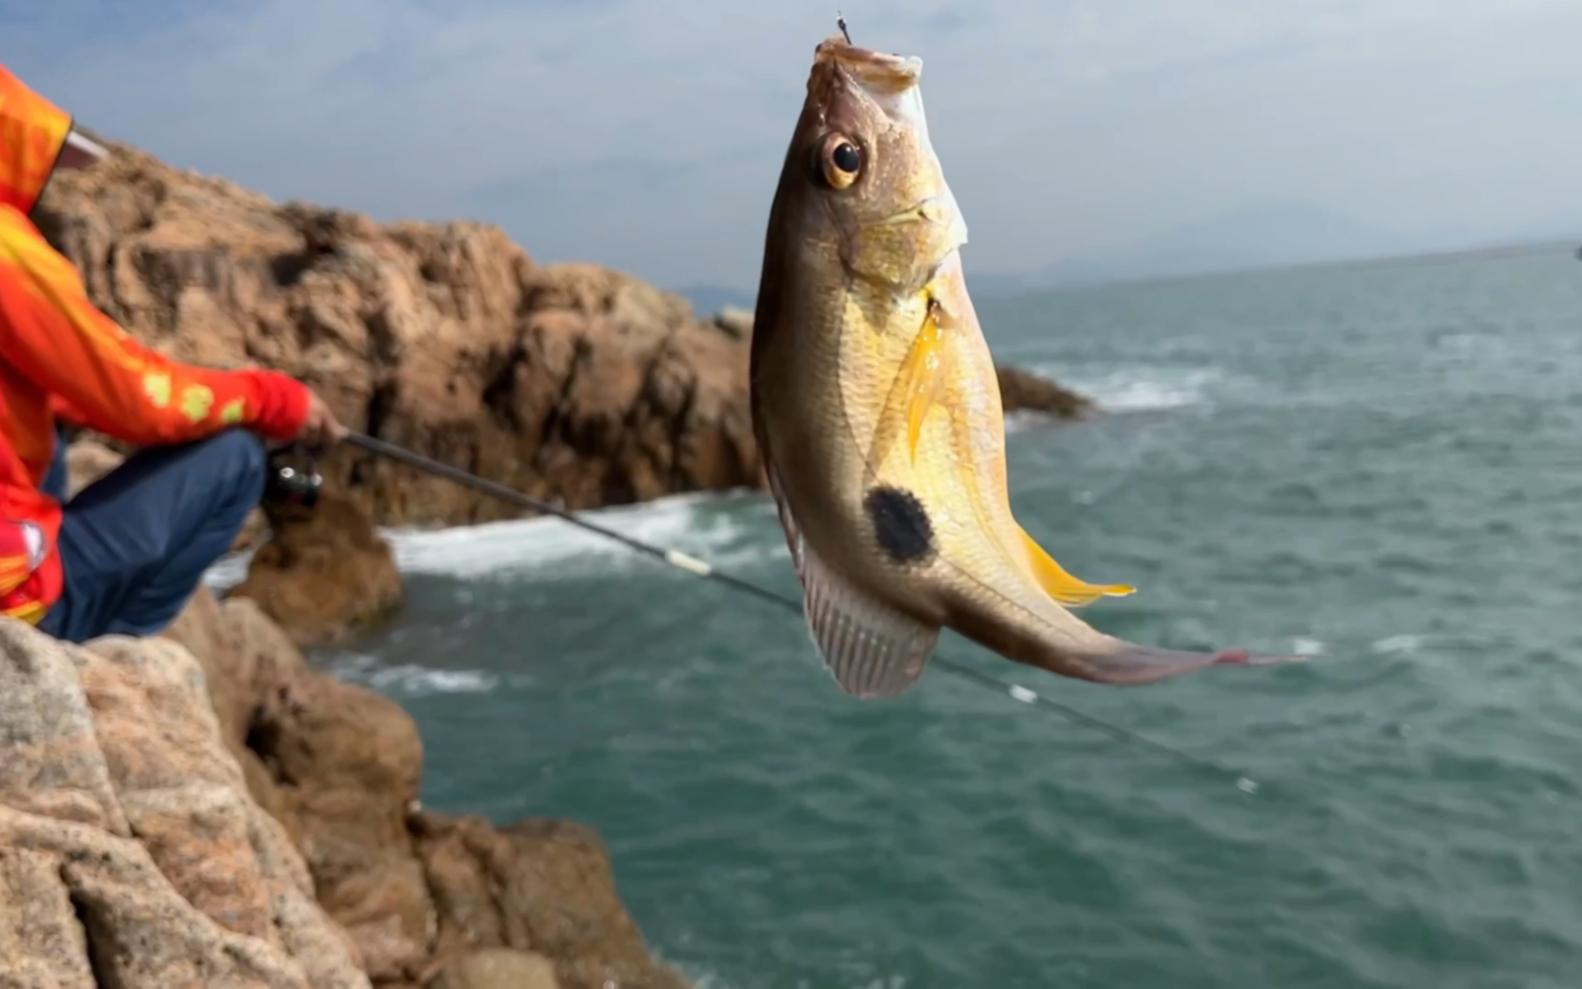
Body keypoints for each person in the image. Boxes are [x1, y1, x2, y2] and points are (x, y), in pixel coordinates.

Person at [0, 63, 343, 643]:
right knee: (235, 458)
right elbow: (139, 400)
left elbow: (61, 385)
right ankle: (105, 650)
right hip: (17, 600)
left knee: (47, 433)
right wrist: (278, 398)